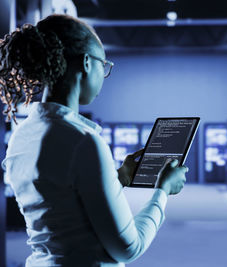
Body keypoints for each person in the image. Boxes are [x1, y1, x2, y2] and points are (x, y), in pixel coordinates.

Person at [0, 14, 188, 266]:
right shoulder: (84, 141)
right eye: (104, 65)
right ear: (87, 63)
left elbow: (63, 207)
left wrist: (119, 178)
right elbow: (129, 248)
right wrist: (163, 191)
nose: (105, 74)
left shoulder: (22, 136)